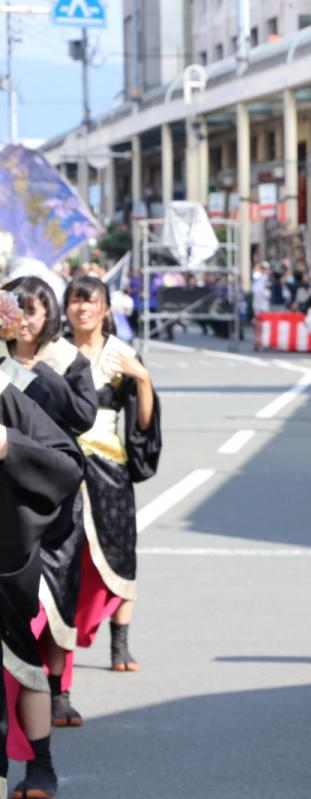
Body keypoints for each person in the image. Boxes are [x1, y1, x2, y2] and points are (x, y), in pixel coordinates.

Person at [0, 282, 96, 799]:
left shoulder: (10, 388)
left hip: (21, 534)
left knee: (22, 657)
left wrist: (8, 446)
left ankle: (40, 765)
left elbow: (65, 463)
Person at [62, 275, 162, 722]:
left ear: (106, 308)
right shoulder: (55, 352)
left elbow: (142, 423)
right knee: (66, 558)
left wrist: (143, 379)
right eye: (76, 301)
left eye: (91, 301)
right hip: (63, 464)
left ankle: (120, 643)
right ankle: (60, 644)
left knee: (121, 552)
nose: (83, 309)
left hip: (110, 464)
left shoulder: (122, 353)